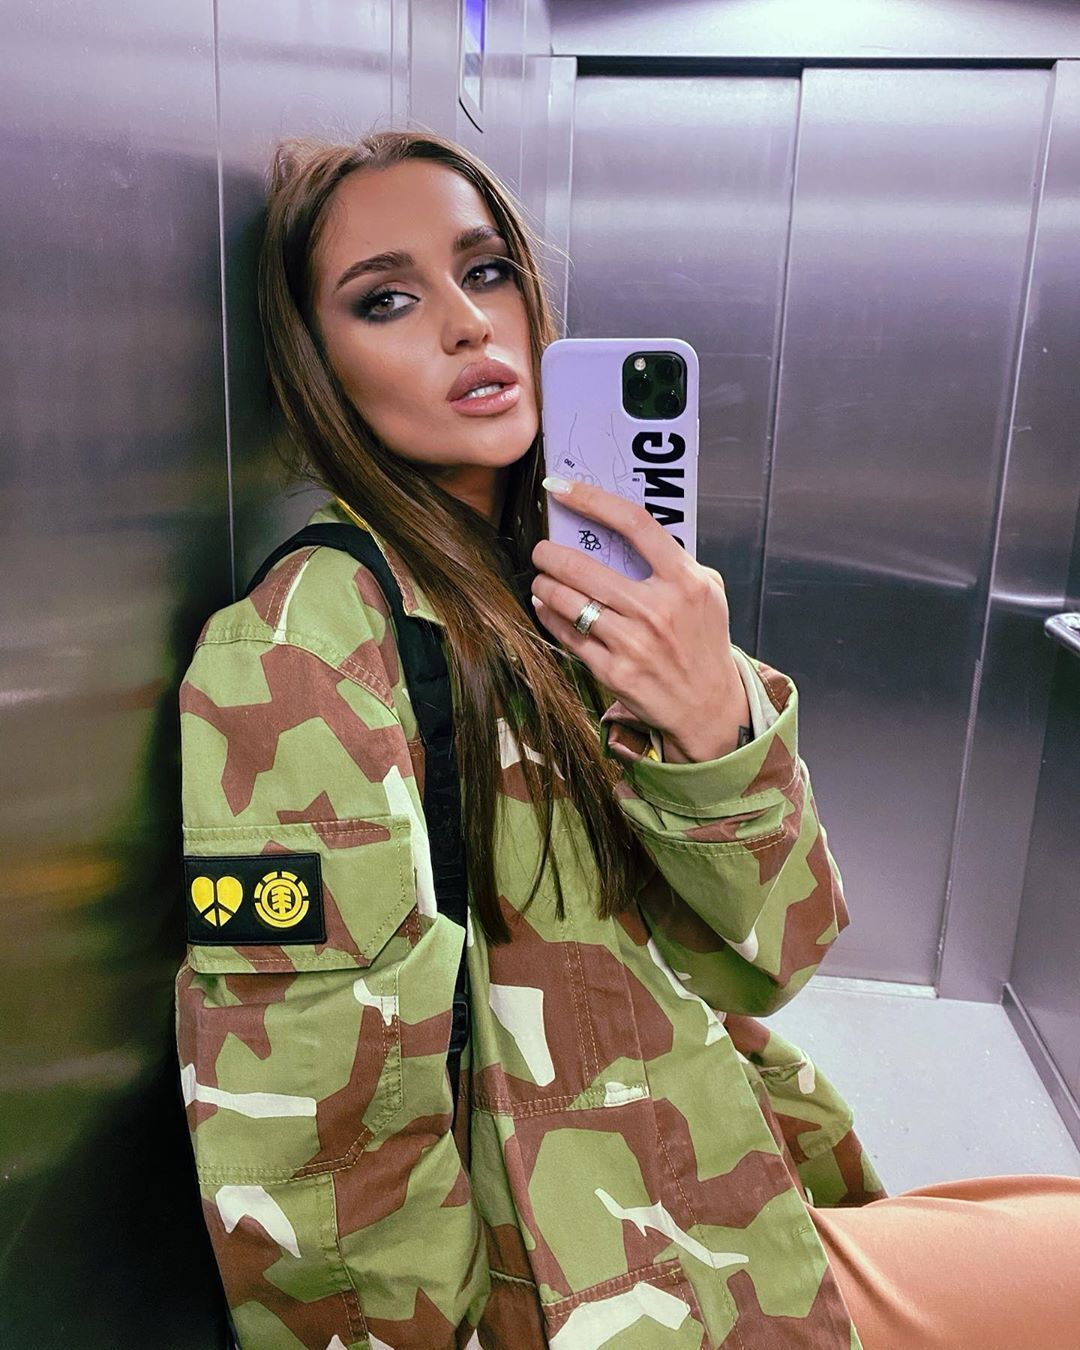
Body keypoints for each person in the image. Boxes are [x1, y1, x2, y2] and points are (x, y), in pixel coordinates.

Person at [174, 130, 1080, 1349]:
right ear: (317, 367)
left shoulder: (573, 587)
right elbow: (314, 1134)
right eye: (386, 298)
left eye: (485, 271)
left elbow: (779, 954)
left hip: (724, 1174)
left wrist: (713, 727)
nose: (467, 325)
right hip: (593, 1285)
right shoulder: (305, 649)